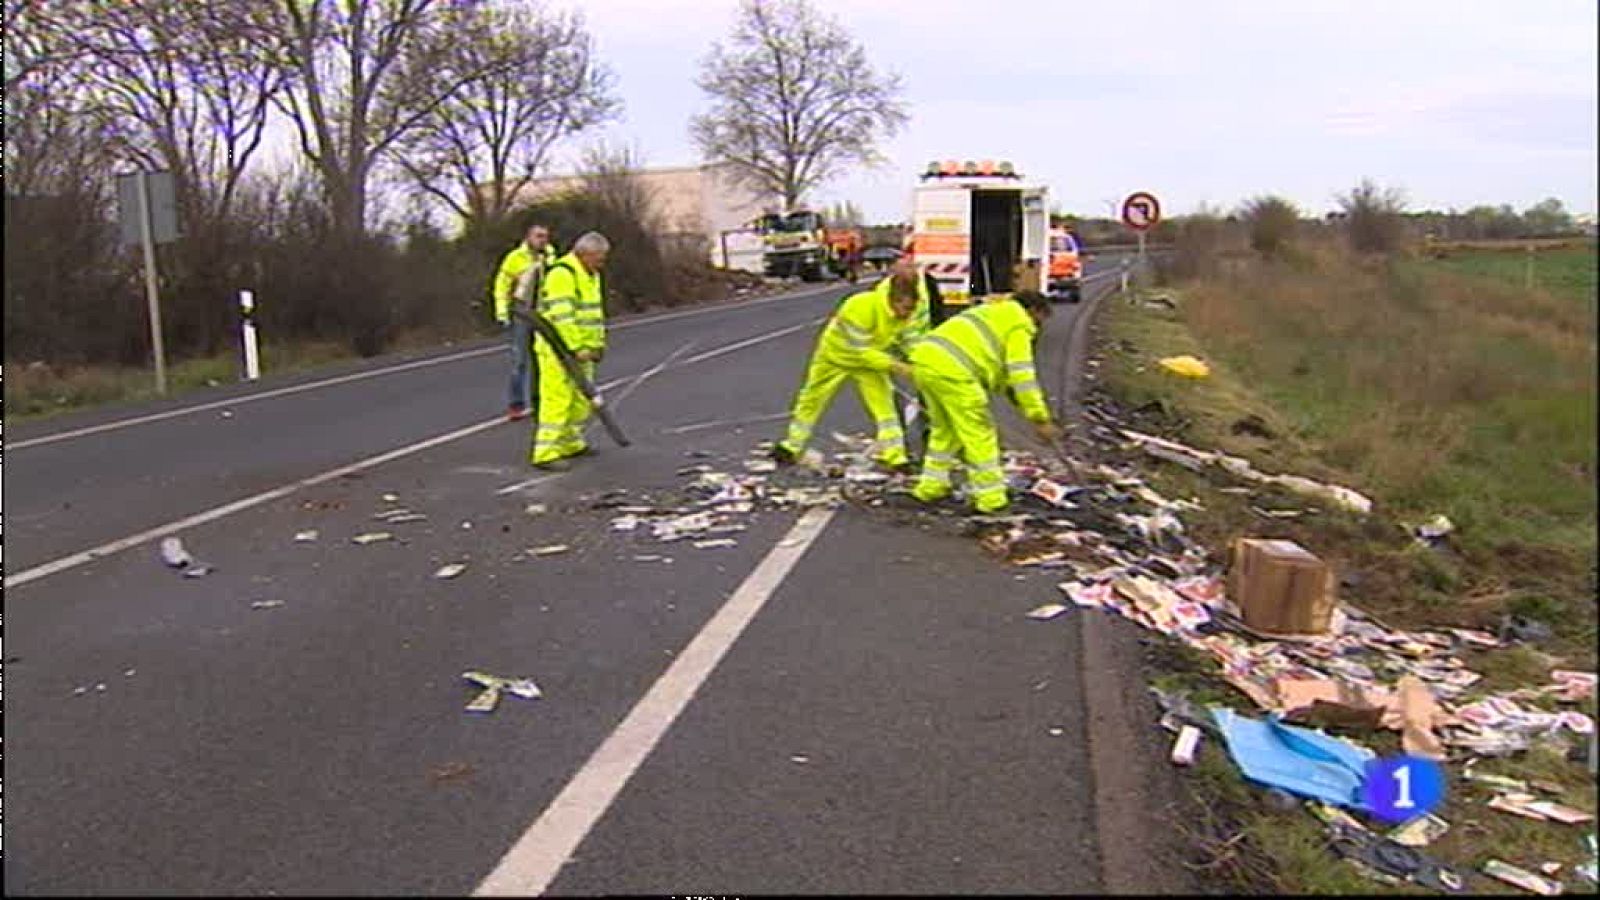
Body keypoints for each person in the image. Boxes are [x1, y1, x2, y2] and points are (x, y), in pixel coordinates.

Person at [908, 290, 1061, 514]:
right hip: (955, 372)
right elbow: (1022, 376)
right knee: (980, 433)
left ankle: (931, 487)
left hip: (925, 363)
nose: (1038, 327)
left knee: (945, 430)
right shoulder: (1019, 324)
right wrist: (1040, 417)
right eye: (1040, 320)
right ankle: (991, 499)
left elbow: (1001, 376)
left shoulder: (991, 311)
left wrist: (1021, 404)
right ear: (1033, 311)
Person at [770, 268, 927, 470]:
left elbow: (910, 340)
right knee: (812, 400)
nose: (907, 315)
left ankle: (896, 457)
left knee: (884, 408)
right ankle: (790, 447)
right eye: (905, 310)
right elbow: (860, 350)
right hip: (836, 356)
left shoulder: (910, 312)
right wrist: (898, 367)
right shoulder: (858, 306)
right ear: (893, 301)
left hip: (870, 361)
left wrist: (921, 363)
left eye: (911, 310)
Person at [530, 231, 610, 470]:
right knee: (558, 399)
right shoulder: (562, 275)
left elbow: (592, 315)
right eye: (599, 258)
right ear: (584, 254)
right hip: (559, 349)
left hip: (584, 349)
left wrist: (597, 344)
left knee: (580, 399)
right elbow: (563, 317)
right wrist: (576, 348)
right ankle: (545, 452)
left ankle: (570, 443)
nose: (602, 263)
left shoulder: (590, 274)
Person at [492, 223, 558, 420]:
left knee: (542, 360)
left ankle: (539, 401)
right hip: (522, 313)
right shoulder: (515, 258)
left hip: (542, 314)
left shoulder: (551, 257)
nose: (542, 240)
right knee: (519, 361)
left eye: (545, 236)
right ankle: (516, 403)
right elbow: (502, 285)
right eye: (538, 236)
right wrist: (502, 311)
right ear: (528, 237)